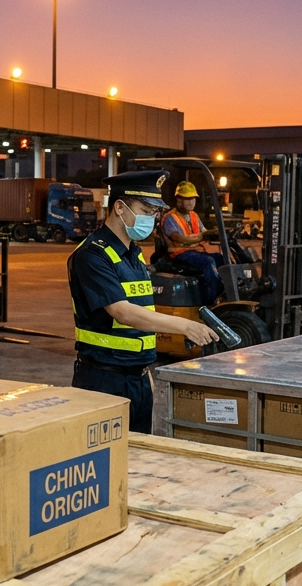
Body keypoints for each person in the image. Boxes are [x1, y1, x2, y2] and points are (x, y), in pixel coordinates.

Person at [68, 170, 218, 433]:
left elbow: (142, 316)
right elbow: (123, 312)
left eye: (154, 212)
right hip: (103, 380)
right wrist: (185, 325)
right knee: (108, 455)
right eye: (146, 210)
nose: (152, 218)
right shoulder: (93, 255)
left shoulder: (134, 255)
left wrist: (144, 372)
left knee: (138, 452)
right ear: (119, 208)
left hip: (136, 378)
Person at [161, 181, 224, 304]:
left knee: (220, 258)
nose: (191, 202)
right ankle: (211, 301)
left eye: (193, 198)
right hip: (179, 253)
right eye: (187, 199)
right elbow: (178, 238)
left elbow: (204, 232)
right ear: (179, 200)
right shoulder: (170, 217)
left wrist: (216, 233)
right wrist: (199, 238)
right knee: (209, 261)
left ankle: (224, 291)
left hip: (195, 251)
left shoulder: (194, 215)